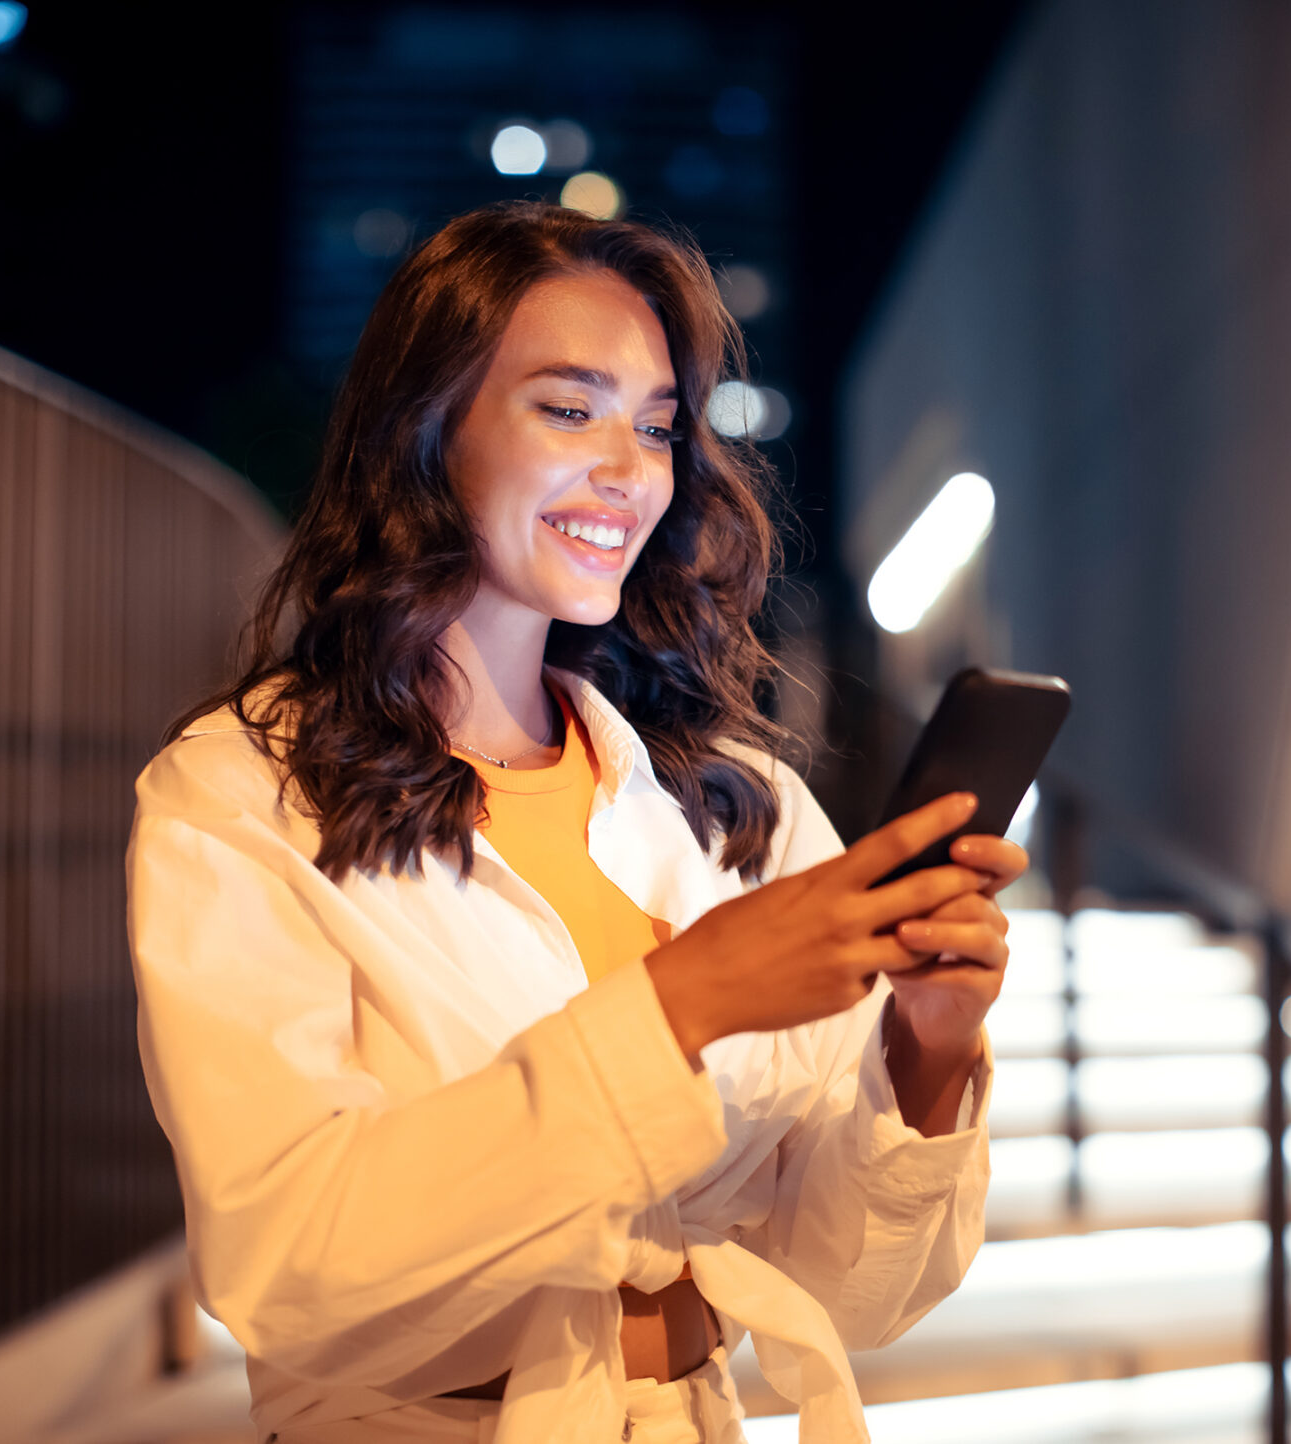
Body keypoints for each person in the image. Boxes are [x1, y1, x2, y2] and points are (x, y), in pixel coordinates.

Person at [127, 201, 1024, 1444]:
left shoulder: (734, 806)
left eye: (657, 426)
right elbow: (290, 1266)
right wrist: (677, 1004)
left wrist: (926, 1049)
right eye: (569, 409)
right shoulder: (241, 795)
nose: (631, 468)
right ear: (423, 428)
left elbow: (859, 1291)